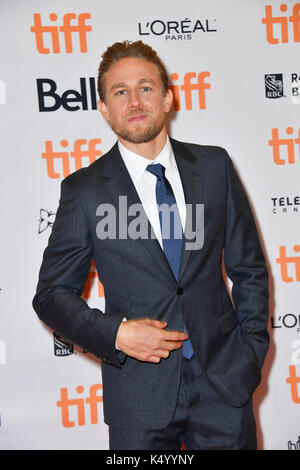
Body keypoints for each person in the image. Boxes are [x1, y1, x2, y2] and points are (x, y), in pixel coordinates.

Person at [33, 40, 269, 450]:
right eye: (119, 92)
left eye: (145, 87)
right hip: (138, 398)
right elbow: (51, 295)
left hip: (224, 388)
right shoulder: (85, 191)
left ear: (168, 97)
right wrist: (117, 334)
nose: (134, 101)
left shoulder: (215, 168)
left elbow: (249, 270)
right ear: (104, 108)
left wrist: (249, 355)